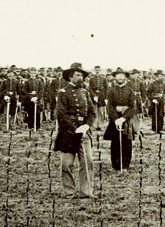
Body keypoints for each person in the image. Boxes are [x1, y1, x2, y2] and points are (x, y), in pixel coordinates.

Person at [55, 62, 96, 198]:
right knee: (67, 164)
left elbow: (92, 112)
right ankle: (69, 192)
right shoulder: (63, 93)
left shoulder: (85, 92)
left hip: (84, 131)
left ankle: (86, 191)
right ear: (70, 77)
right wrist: (75, 128)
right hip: (68, 132)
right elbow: (61, 114)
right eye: (78, 75)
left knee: (87, 162)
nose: (81, 78)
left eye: (82, 75)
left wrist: (86, 126)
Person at [103, 67, 136, 170]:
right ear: (115, 77)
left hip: (126, 120)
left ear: (125, 77)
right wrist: (116, 118)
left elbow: (133, 107)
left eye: (122, 76)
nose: (120, 77)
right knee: (115, 142)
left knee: (127, 142)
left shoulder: (130, 91)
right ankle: (116, 165)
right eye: (118, 75)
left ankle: (125, 165)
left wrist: (124, 118)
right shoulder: (111, 90)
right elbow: (110, 106)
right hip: (115, 120)